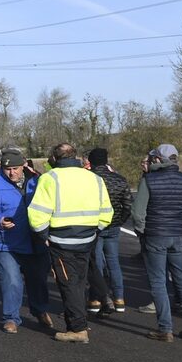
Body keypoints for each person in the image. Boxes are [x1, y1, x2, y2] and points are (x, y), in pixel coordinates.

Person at [27, 142, 114, 343]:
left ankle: (78, 328)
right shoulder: (94, 178)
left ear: (54, 158)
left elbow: (37, 215)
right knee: (79, 282)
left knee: (69, 284)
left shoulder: (50, 178)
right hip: (87, 239)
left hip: (61, 241)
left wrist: (44, 236)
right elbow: (106, 212)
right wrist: (94, 230)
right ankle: (78, 323)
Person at [130, 144, 182, 342]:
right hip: (178, 235)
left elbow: (137, 213)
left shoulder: (149, 180)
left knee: (158, 282)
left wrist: (143, 231)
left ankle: (165, 328)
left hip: (155, 234)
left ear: (157, 160)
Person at [0, 148, 54, 333]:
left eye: (16, 168)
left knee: (38, 280)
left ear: (24, 165)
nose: (12, 172)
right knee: (10, 280)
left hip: (37, 241)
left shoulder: (39, 181)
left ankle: (40, 310)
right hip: (8, 242)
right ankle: (11, 317)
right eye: (7, 169)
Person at [87, 148, 132, 312]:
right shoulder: (119, 179)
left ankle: (96, 298)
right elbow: (128, 205)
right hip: (113, 225)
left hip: (95, 225)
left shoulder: (88, 179)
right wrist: (120, 220)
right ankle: (119, 298)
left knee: (95, 263)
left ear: (90, 161)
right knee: (113, 262)